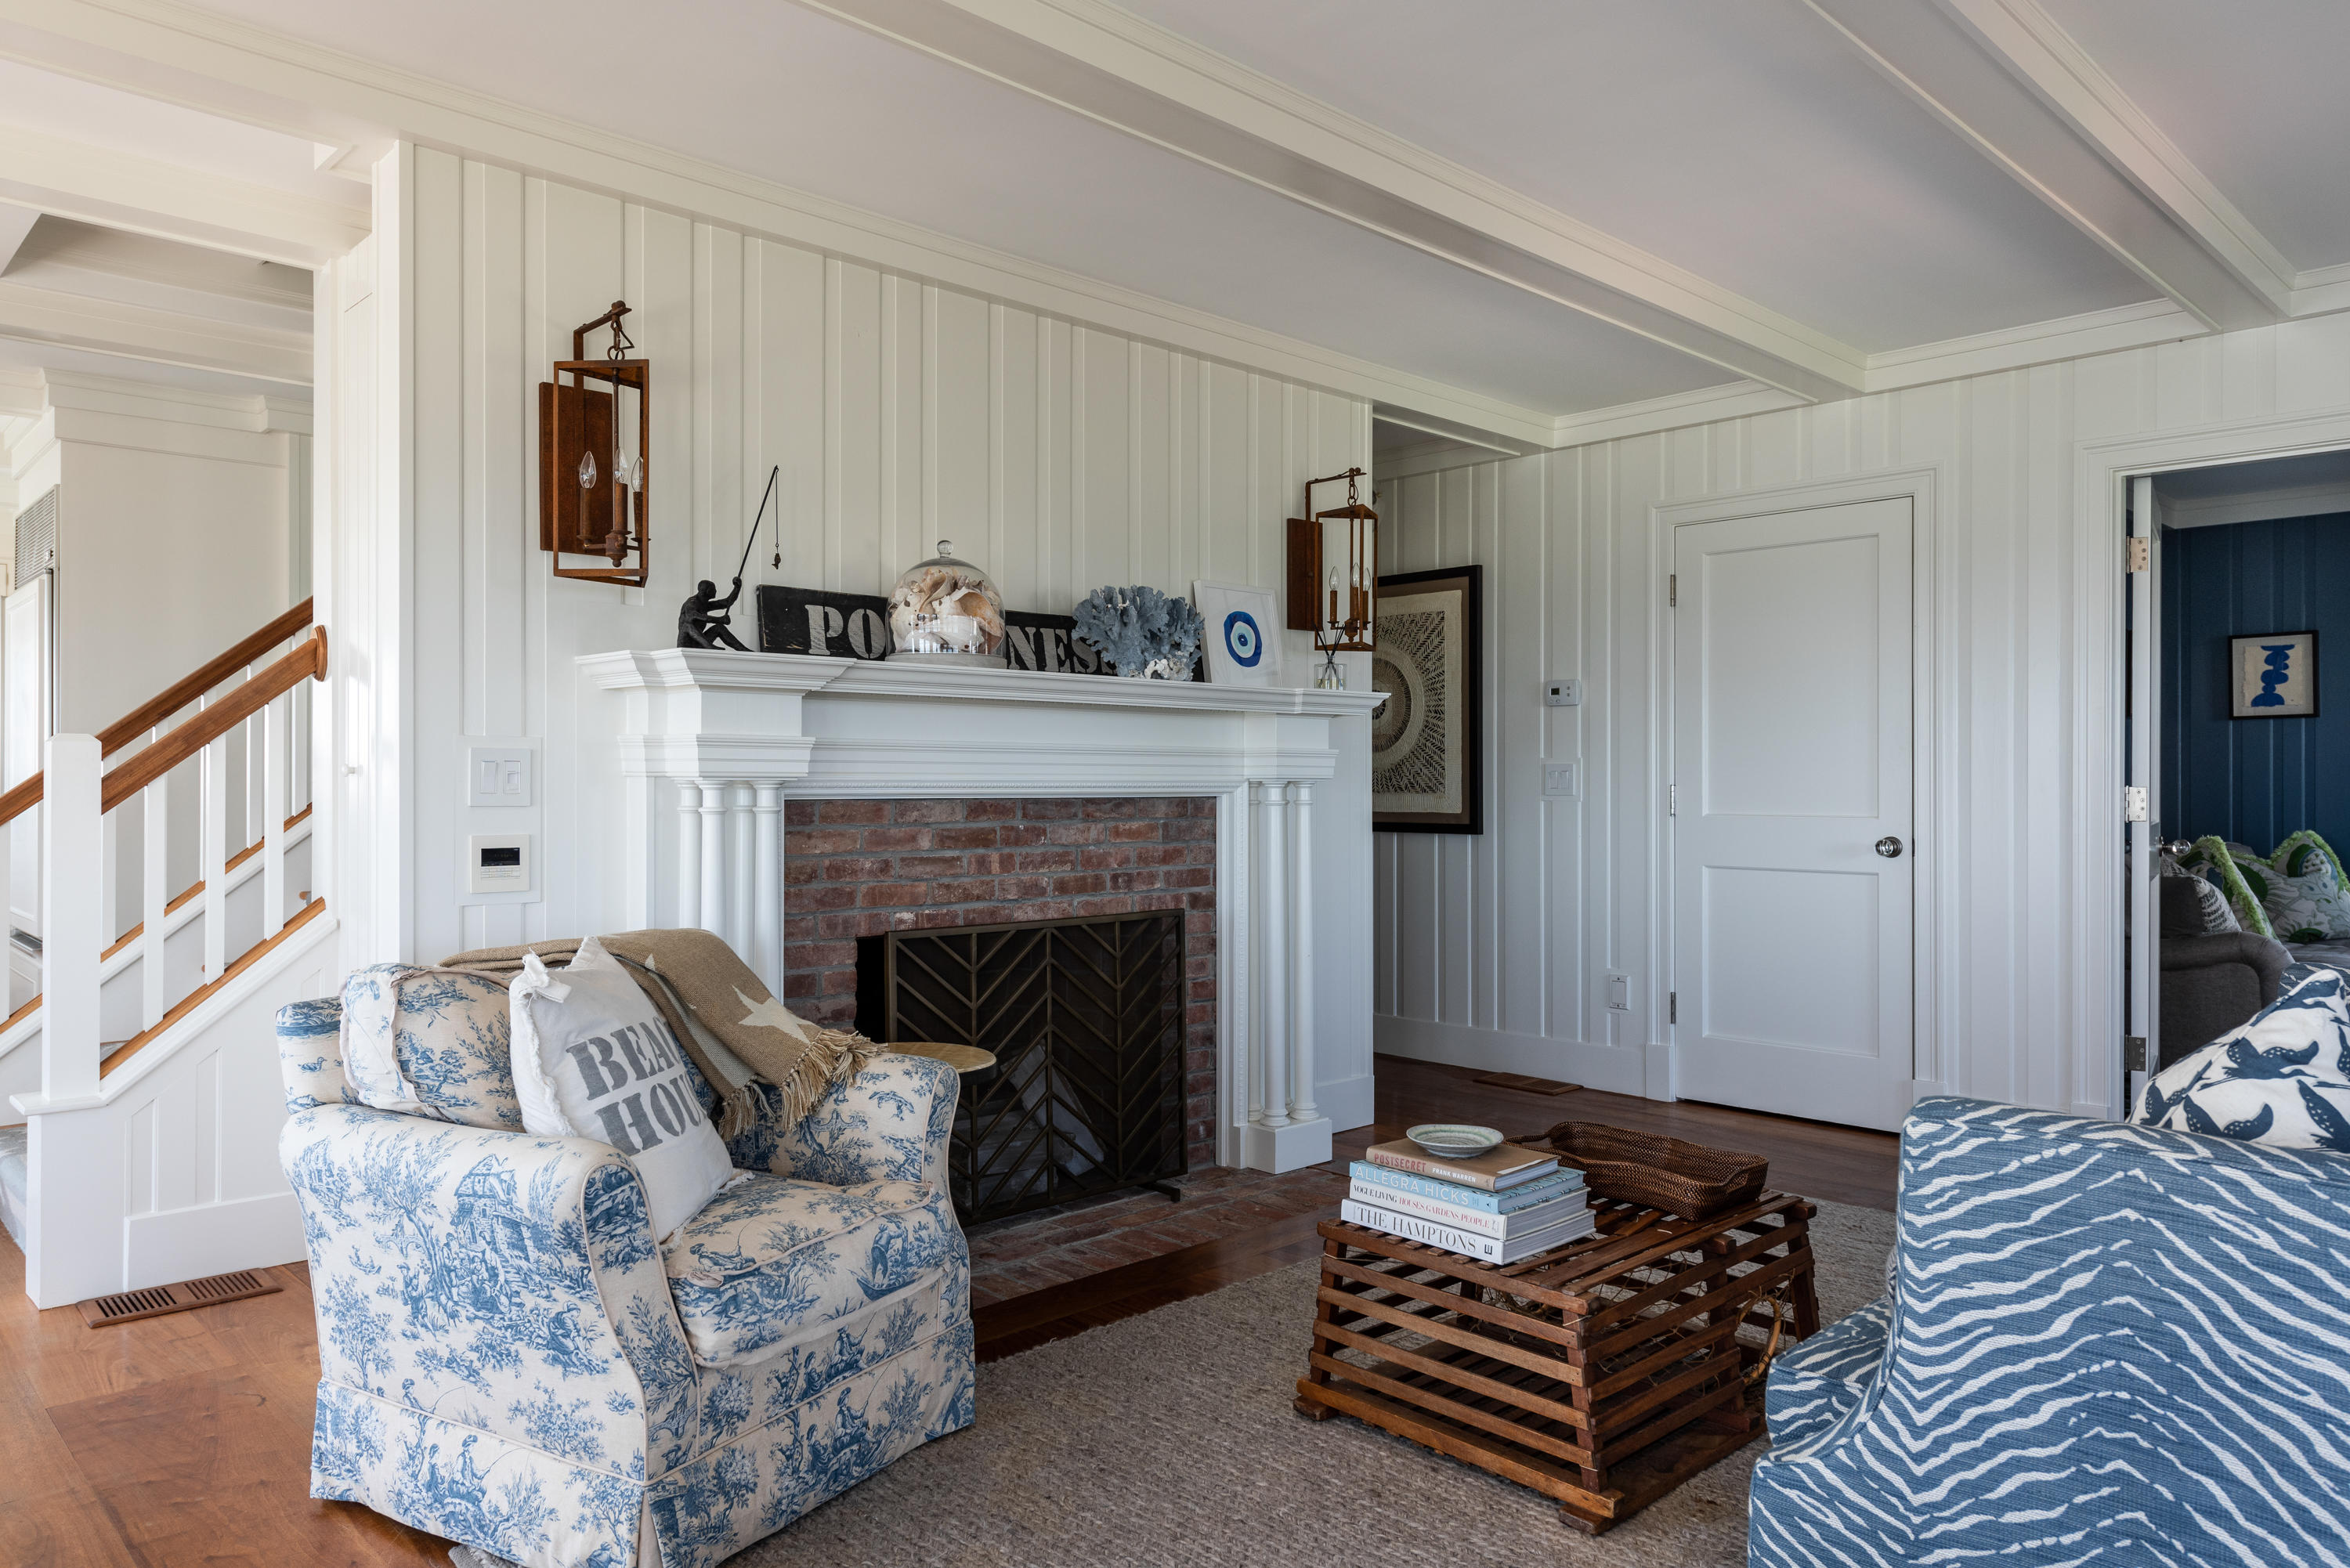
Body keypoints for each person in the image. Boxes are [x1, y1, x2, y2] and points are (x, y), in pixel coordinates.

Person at [678, 576, 750, 651]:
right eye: (713, 589)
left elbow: (727, 602)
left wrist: (737, 588)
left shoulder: (704, 604)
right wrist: (720, 620)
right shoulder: (692, 602)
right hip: (686, 644)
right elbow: (692, 616)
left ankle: (744, 650)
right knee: (687, 625)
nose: (715, 591)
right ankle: (709, 646)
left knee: (719, 627)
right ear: (707, 591)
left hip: (699, 644)